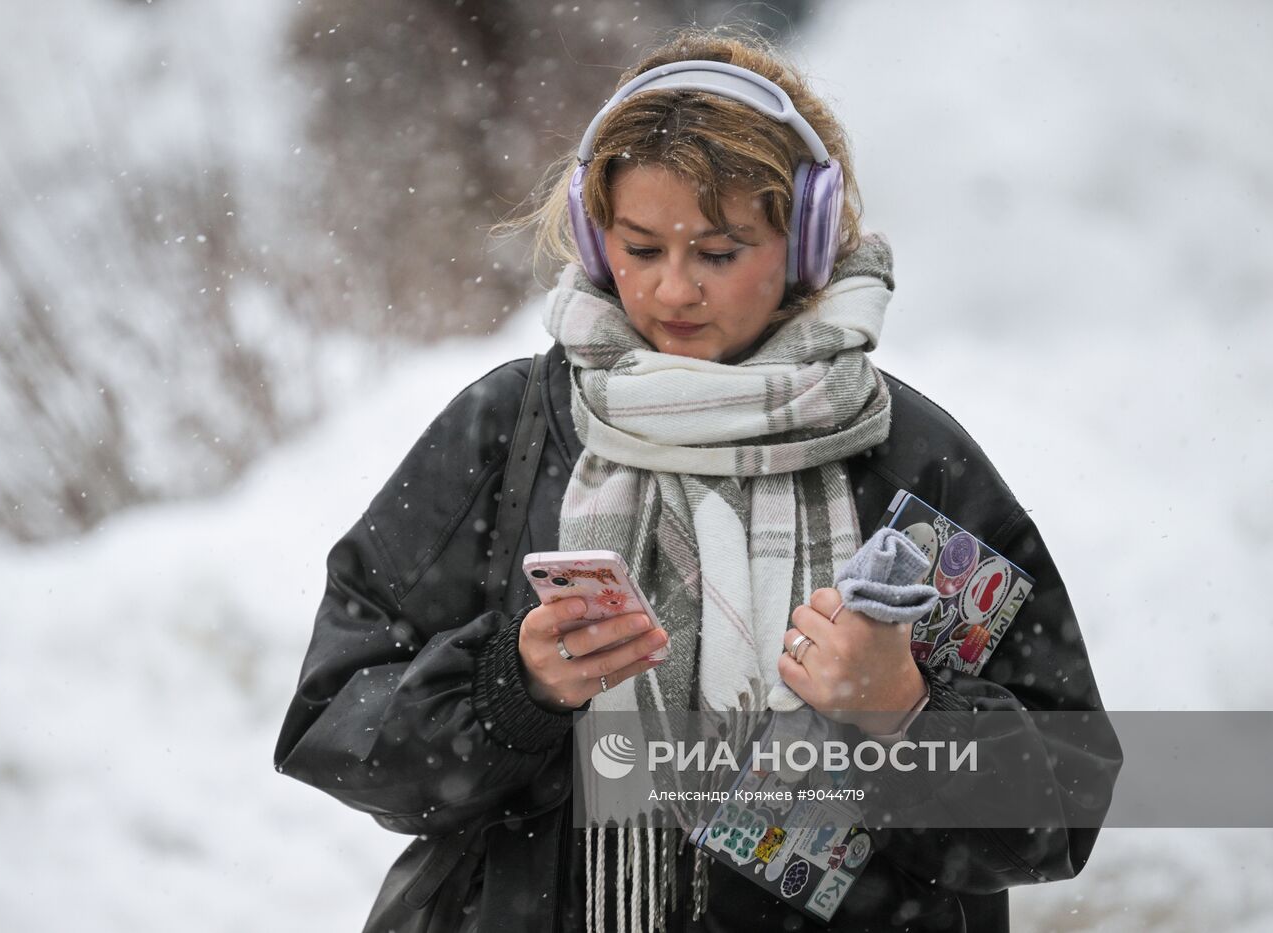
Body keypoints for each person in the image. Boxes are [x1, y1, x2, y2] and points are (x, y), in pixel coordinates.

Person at [273, 27, 1120, 932]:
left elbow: (1061, 805)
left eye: (717, 253)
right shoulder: (509, 431)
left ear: (808, 244)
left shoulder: (910, 456)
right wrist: (510, 686)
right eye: (640, 249)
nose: (673, 291)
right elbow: (335, 720)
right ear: (597, 243)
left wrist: (903, 714)